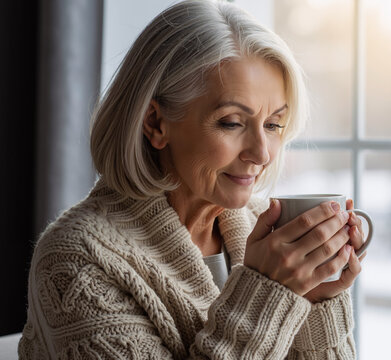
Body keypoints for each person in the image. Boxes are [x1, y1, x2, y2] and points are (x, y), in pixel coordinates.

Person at [18, 1, 366, 358]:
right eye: (231, 122)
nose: (262, 154)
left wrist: (316, 300)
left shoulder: (267, 236)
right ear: (155, 123)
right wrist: (268, 293)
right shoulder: (77, 261)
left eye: (273, 124)